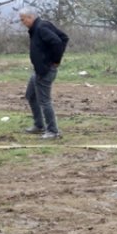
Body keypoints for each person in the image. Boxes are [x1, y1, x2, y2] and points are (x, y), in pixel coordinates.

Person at [19, 8, 70, 139]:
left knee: (44, 101)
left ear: (30, 17)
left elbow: (58, 42)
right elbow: (64, 37)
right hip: (39, 70)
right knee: (30, 95)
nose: (22, 22)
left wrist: (55, 61)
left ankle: (53, 131)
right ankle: (39, 125)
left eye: (23, 19)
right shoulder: (40, 26)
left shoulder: (41, 27)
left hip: (45, 70)